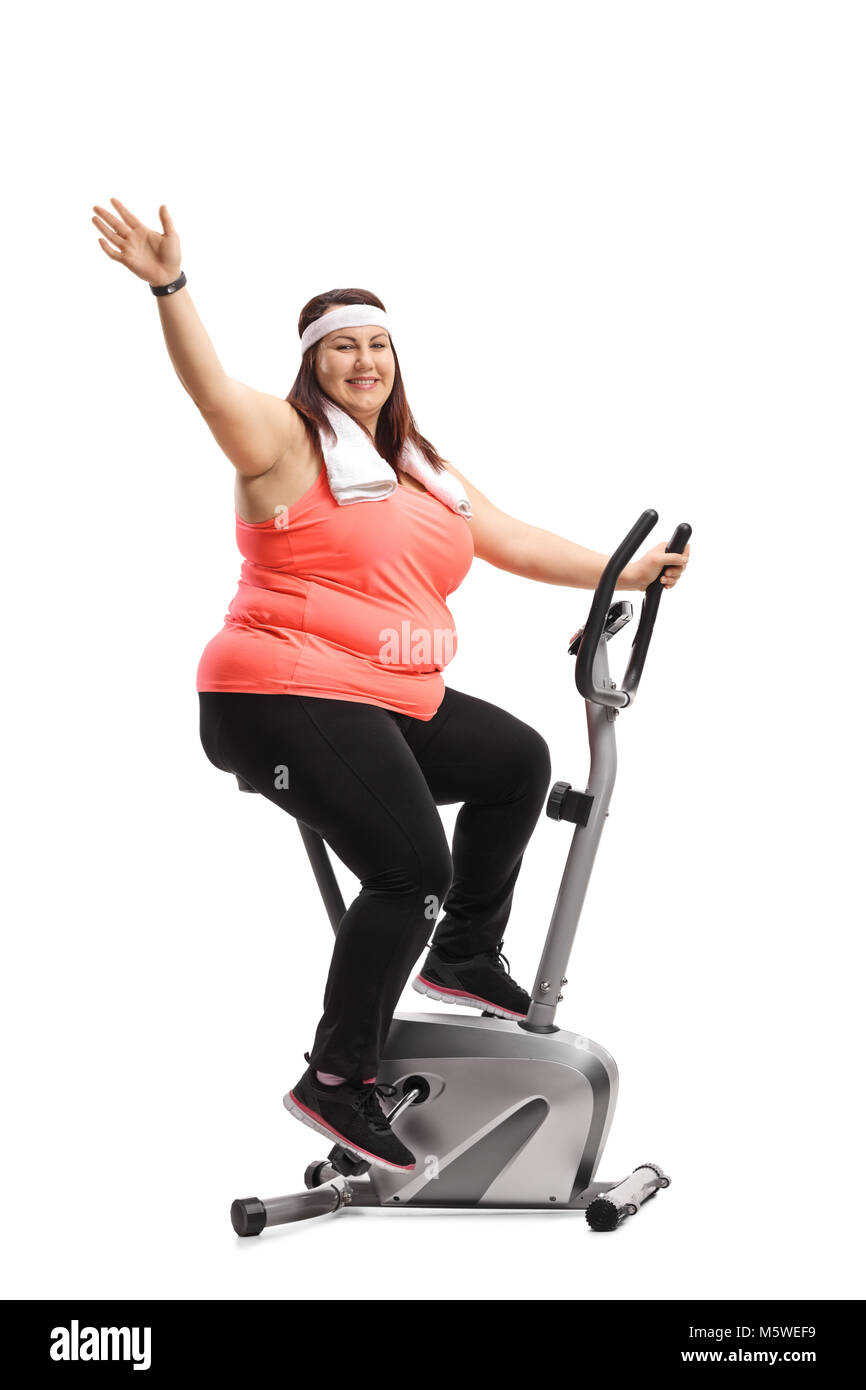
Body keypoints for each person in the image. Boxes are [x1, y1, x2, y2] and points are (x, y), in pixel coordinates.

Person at [93, 197, 691, 1175]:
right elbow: (207, 392)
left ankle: (460, 957)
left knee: (514, 761)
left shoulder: (420, 470)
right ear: (313, 364)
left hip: (382, 696)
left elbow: (511, 540)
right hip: (276, 694)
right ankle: (336, 1078)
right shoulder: (280, 441)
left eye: (378, 345)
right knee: (411, 868)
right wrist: (169, 286)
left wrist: (627, 572)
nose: (363, 361)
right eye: (342, 349)